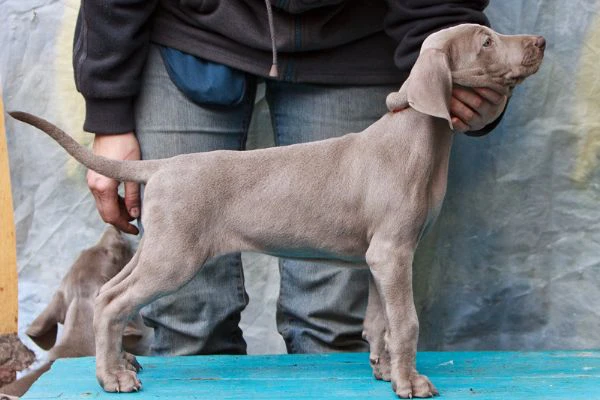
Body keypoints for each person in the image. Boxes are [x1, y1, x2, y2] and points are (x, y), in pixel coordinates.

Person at [74, 0, 507, 356]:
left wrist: (466, 70)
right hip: (192, 30)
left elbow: (445, 26)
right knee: (187, 314)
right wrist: (109, 108)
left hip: (353, 40)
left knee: (332, 321)